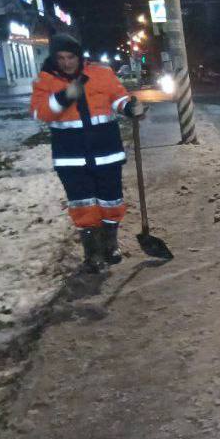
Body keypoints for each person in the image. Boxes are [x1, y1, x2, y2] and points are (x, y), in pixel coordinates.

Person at [29, 33, 146, 272]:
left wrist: (131, 108)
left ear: (78, 56)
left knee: (111, 201)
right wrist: (64, 97)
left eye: (70, 57)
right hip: (70, 158)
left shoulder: (101, 74)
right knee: (83, 205)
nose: (66, 63)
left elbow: (118, 99)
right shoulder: (46, 81)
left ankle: (110, 244)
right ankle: (92, 252)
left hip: (106, 153)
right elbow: (39, 112)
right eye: (60, 58)